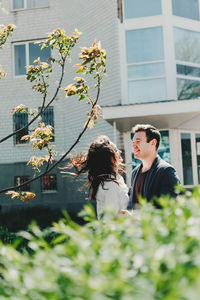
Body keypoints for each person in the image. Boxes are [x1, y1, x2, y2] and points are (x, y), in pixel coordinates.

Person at [69, 136, 129, 219]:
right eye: (116, 150)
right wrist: (130, 217)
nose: (120, 151)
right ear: (110, 158)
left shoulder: (113, 180)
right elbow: (111, 219)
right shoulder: (110, 185)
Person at [127, 124, 180, 209]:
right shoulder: (134, 173)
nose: (134, 146)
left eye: (138, 142)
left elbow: (169, 209)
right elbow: (132, 205)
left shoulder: (166, 172)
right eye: (133, 142)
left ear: (153, 143)